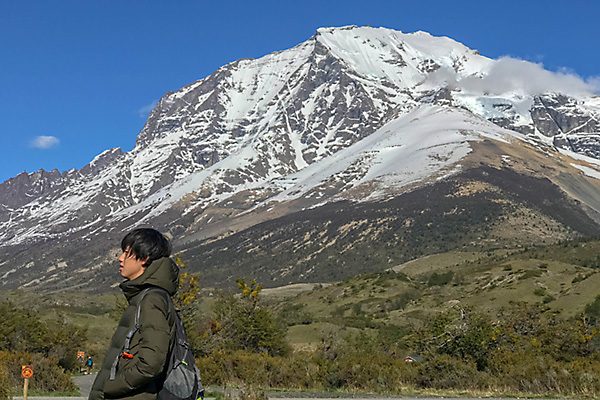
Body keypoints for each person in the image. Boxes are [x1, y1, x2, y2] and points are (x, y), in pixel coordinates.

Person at [89, 228, 179, 400]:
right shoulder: (146, 297)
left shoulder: (151, 299)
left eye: (127, 253)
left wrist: (110, 387)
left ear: (144, 258)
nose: (120, 258)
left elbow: (151, 363)